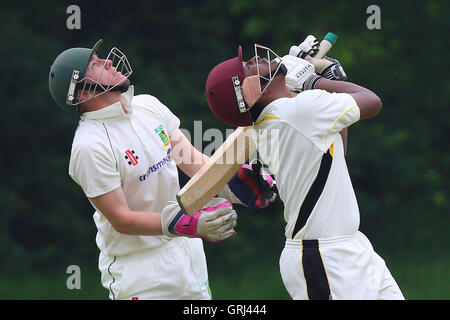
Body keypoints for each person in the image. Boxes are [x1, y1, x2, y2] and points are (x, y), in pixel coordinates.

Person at [48, 39, 276, 300]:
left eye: (101, 58)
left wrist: (233, 184)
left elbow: (193, 162)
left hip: (188, 255)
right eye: (95, 65)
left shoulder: (147, 106)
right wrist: (186, 223)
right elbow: (122, 219)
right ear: (83, 93)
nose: (108, 61)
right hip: (138, 270)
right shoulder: (89, 146)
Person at [204, 36, 404, 300]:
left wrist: (322, 83)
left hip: (348, 248)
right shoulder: (298, 112)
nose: (255, 59)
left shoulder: (283, 117)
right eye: (249, 67)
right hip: (324, 257)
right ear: (251, 91)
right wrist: (315, 82)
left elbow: (335, 149)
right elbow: (372, 101)